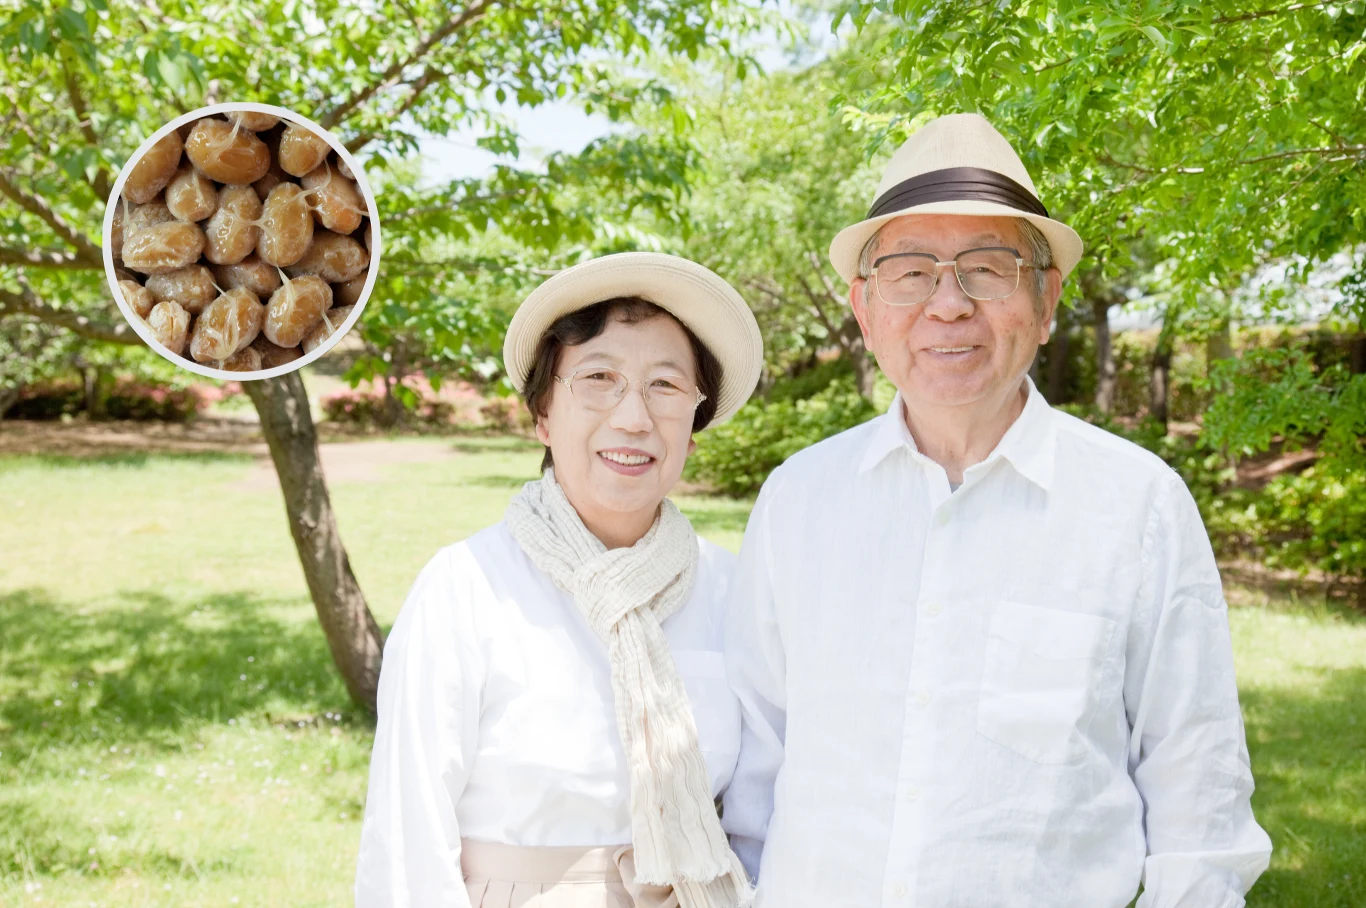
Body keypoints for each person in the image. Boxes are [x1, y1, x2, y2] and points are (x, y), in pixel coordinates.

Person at [720, 113, 1272, 907]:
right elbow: (755, 776)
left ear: (1046, 301)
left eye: (988, 269)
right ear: (865, 308)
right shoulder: (798, 500)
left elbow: (1200, 795)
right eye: (910, 272)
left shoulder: (1138, 504)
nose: (948, 304)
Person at [354, 252, 764, 908]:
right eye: (599, 378)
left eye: (665, 386)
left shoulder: (731, 589)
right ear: (543, 415)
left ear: (695, 423)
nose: (634, 417)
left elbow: (761, 814)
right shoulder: (465, 589)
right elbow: (407, 845)